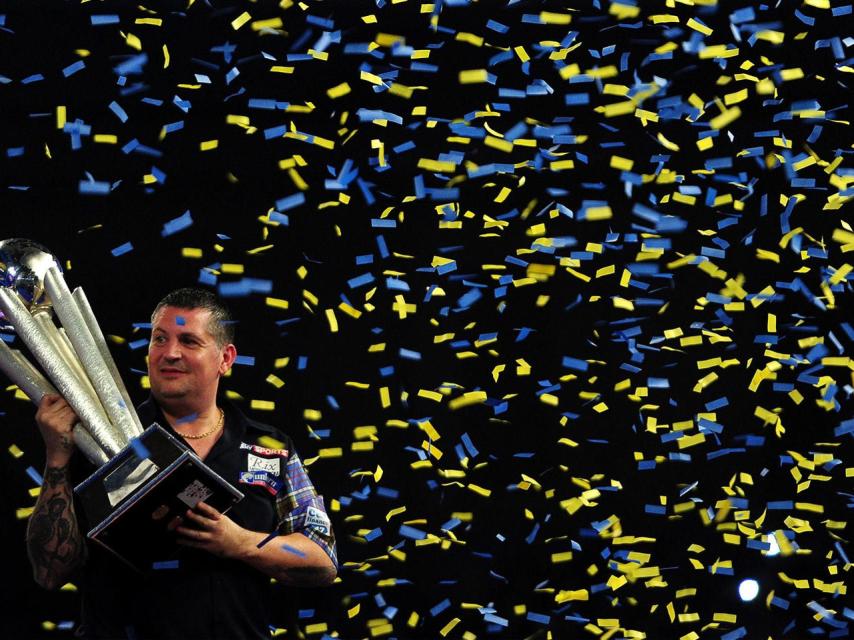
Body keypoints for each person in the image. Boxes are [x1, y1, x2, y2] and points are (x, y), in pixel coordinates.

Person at [26, 288, 337, 639]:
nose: (170, 353)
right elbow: (49, 572)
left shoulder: (270, 447)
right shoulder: (101, 440)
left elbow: (322, 558)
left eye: (189, 341)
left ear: (226, 358)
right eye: (159, 339)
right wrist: (57, 456)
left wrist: (241, 543)